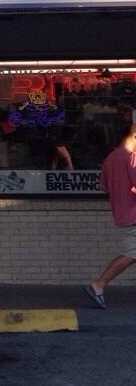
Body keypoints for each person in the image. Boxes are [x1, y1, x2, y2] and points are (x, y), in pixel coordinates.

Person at [83, 124, 136, 308]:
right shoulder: (132, 156)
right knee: (132, 254)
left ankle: (99, 284)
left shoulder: (111, 157)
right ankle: (99, 284)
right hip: (133, 213)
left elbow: (104, 186)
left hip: (122, 212)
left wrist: (120, 191)